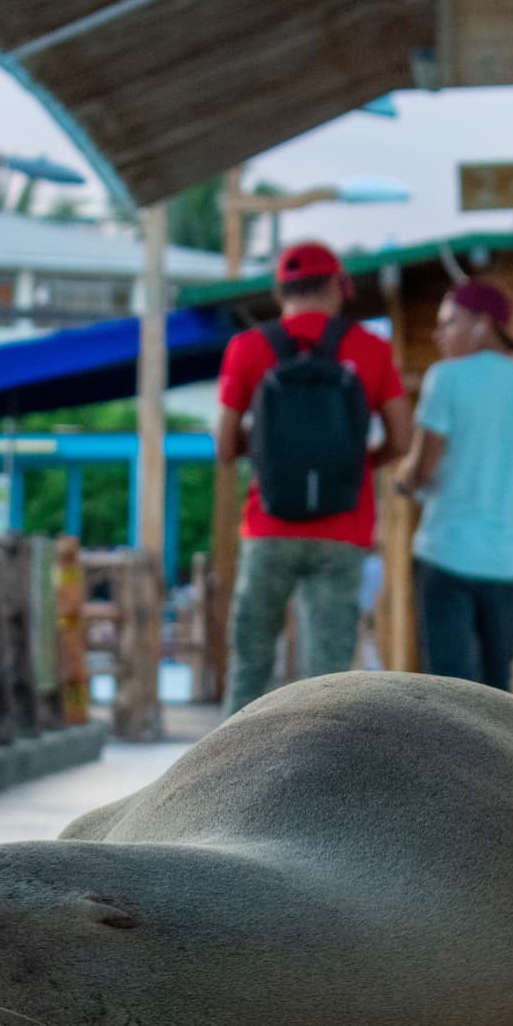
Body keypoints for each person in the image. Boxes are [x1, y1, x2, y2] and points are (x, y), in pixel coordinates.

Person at [215, 242, 412, 714]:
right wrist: (360, 463)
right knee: (328, 679)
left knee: (250, 665)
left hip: (268, 526)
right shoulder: (371, 349)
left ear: (280, 291)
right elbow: (402, 438)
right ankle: (323, 779)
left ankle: (228, 777)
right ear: (334, 286)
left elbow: (223, 446)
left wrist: (266, 454)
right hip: (343, 529)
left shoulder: (248, 348)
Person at [394, 280, 513, 694]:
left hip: (446, 553)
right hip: (505, 562)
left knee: (450, 694)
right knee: (497, 694)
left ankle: (445, 763)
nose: (438, 335)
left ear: (484, 324)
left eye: (449, 323)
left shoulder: (446, 378)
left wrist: (403, 478)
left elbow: (424, 467)